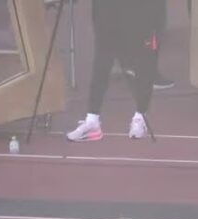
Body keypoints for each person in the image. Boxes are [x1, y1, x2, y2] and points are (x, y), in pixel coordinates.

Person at [65, 0, 166, 141]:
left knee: (143, 58)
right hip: (107, 7)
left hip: (142, 8)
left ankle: (140, 115)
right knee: (102, 58)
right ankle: (92, 119)